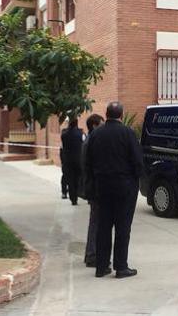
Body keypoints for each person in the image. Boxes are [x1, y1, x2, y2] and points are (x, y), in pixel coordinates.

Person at [86, 102, 143, 279]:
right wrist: (136, 179)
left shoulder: (95, 134)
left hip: (102, 186)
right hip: (124, 187)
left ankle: (101, 267)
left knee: (103, 227)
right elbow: (137, 161)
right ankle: (121, 267)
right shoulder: (128, 133)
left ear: (107, 114)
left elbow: (87, 161)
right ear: (121, 115)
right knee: (122, 227)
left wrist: (92, 183)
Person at [81, 113, 105, 268]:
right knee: (96, 222)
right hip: (95, 188)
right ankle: (92, 255)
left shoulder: (88, 141)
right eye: (102, 124)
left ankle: (90, 253)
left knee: (95, 221)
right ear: (95, 125)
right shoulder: (92, 142)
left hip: (92, 187)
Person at [60, 118, 84, 206]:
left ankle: (72, 198)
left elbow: (62, 146)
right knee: (77, 178)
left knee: (70, 179)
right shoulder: (81, 133)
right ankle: (76, 195)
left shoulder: (64, 134)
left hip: (67, 160)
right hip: (78, 159)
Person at [60, 127, 69, 199]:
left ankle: (66, 191)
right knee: (65, 177)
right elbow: (61, 155)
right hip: (65, 163)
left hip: (67, 162)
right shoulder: (62, 145)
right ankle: (64, 192)